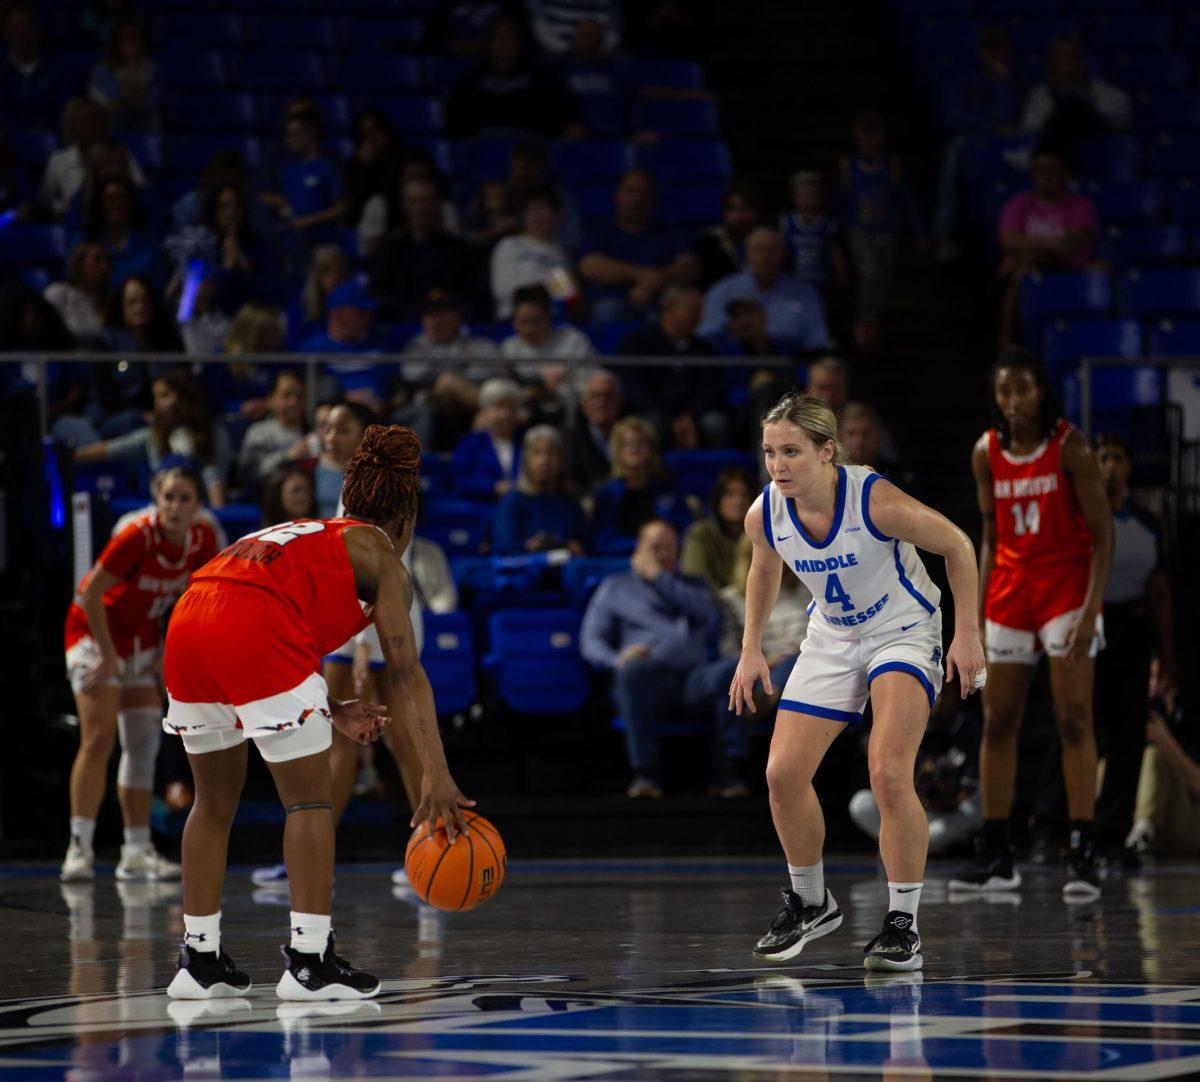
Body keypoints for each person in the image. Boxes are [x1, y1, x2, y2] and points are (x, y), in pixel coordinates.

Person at [160, 424, 472, 1000]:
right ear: (404, 520)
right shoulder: (381, 554)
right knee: (307, 799)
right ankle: (310, 960)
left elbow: (245, 618)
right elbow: (405, 673)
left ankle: (198, 962)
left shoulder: (303, 531)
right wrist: (436, 770)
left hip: (190, 619)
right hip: (253, 623)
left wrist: (330, 707)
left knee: (212, 802)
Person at [729, 391, 985, 972]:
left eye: (791, 451)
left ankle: (903, 924)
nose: (778, 465)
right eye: (769, 452)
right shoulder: (764, 511)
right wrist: (750, 649)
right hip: (835, 635)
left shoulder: (874, 499)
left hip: (902, 627)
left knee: (889, 772)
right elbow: (763, 567)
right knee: (781, 775)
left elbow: (959, 547)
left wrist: (966, 635)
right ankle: (812, 901)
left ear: (827, 452)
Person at [950, 350, 1113, 899]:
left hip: (1066, 589)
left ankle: (1083, 851)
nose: (1013, 402)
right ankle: (997, 856)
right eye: (1004, 393)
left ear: (1042, 391)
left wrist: (1091, 613)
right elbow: (991, 535)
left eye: (1022, 390)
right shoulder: (985, 452)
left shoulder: (1071, 447)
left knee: (1073, 720)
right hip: (1010, 591)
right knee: (997, 723)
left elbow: (1103, 534)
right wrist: (972, 617)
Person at [61, 466, 220, 884]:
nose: (175, 506)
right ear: (157, 499)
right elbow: (90, 593)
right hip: (94, 636)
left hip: (141, 641)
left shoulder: (203, 541)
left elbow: (193, 602)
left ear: (198, 506)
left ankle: (135, 851)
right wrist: (110, 658)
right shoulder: (137, 535)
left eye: (185, 498)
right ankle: (79, 847)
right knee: (98, 738)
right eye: (169, 497)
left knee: (145, 740)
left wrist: (164, 650)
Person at [581, 519, 749, 798]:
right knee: (632, 672)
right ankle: (645, 775)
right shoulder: (615, 587)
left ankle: (727, 774)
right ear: (638, 550)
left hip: (693, 679)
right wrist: (618, 658)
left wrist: (659, 577)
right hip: (648, 680)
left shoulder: (694, 586)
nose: (663, 555)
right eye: (655, 548)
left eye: (670, 549)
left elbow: (705, 612)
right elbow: (590, 642)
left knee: (734, 671)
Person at [1091, 432, 1174, 858]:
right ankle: (1069, 830)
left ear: (1128, 467)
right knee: (1080, 728)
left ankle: (1112, 833)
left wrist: (1167, 654)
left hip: (1132, 631)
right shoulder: (1079, 519)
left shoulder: (1147, 523)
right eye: (1102, 457)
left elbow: (1159, 594)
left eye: (1117, 458)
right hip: (1088, 628)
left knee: (1127, 736)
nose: (1109, 466)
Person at [75, 370, 232, 507]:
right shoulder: (152, 436)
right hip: (163, 514)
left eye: (164, 396)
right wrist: (68, 457)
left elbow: (214, 478)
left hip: (202, 512)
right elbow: (111, 449)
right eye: (155, 397)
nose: (157, 404)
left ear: (185, 398)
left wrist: (217, 518)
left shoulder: (214, 434)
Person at [996, 147, 1100, 349]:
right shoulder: (1018, 204)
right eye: (1039, 170)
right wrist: (1051, 244)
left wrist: (1029, 250)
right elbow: (1008, 242)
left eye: (1053, 168)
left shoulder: (1080, 206)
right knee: (1022, 275)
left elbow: (1067, 248)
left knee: (1101, 272)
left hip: (1066, 270)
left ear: (1065, 172)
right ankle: (1007, 349)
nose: (1047, 176)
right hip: (1022, 271)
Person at [837, 111, 924, 353]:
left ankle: (873, 321)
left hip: (887, 231)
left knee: (883, 279)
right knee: (870, 275)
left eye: (872, 134)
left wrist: (919, 231)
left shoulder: (892, 166)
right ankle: (863, 322)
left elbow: (906, 200)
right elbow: (841, 201)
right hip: (859, 231)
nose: (868, 140)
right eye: (863, 135)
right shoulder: (848, 167)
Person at [617, 284, 727, 449]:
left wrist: (689, 415)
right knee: (651, 422)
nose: (697, 316)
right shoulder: (637, 343)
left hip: (693, 415)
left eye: (699, 310)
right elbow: (635, 389)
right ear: (669, 308)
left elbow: (710, 390)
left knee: (715, 423)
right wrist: (671, 418)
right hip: (652, 410)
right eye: (692, 309)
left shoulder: (705, 350)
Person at [579, 169, 694, 323]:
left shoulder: (671, 232)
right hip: (613, 302)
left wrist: (652, 284)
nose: (637, 198)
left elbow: (688, 268)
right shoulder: (599, 229)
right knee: (608, 311)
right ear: (617, 196)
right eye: (631, 191)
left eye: (645, 192)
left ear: (655, 197)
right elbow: (590, 267)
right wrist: (644, 277)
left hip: (662, 304)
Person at [369, 176, 485, 322]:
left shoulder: (463, 251)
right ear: (404, 205)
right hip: (403, 332)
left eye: (427, 201)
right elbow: (379, 298)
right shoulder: (387, 252)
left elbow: (474, 299)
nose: (421, 208)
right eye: (414, 201)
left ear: (438, 204)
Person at [699, 227, 831, 353]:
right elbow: (708, 335)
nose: (766, 256)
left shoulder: (805, 293)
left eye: (773, 250)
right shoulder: (722, 291)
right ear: (747, 254)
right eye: (759, 250)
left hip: (789, 365)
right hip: (736, 363)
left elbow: (816, 341)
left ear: (783, 255)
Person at [444, 16, 577, 140]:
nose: (503, 43)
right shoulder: (472, 78)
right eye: (497, 37)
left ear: (519, 41)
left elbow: (559, 113)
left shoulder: (542, 76)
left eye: (508, 36)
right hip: (483, 146)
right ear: (489, 43)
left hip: (530, 147)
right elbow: (456, 119)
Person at [591, 416, 696, 555]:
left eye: (640, 443)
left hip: (666, 560)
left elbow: (685, 530)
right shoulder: (607, 494)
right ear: (618, 452)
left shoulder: (668, 487)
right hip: (621, 563)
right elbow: (604, 543)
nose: (634, 448)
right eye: (627, 444)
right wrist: (648, 545)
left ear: (651, 448)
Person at [261, 107, 347, 266]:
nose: (288, 140)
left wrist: (311, 220)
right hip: (294, 248)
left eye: (293, 134)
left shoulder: (327, 167)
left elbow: (341, 208)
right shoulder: (288, 171)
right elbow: (288, 203)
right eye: (287, 135)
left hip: (325, 244)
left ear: (310, 134)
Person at [493, 425, 587, 555]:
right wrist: (529, 546)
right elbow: (505, 547)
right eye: (536, 453)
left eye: (551, 453)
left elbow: (584, 545)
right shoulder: (512, 501)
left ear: (561, 460)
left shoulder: (570, 503)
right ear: (525, 460)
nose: (544, 460)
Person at [1020, 36, 1131, 147]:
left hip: (1095, 149)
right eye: (1062, 56)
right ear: (1052, 61)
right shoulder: (1040, 94)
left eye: (1073, 55)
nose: (1068, 61)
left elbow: (1120, 120)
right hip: (1055, 151)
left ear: (1082, 60)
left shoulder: (1104, 92)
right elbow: (1031, 128)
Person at [490, 186, 576, 320]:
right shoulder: (510, 245)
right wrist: (545, 285)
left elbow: (565, 294)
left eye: (542, 209)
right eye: (531, 210)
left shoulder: (559, 254)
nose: (537, 215)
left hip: (552, 322)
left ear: (555, 213)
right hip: (514, 320)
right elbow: (503, 289)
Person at [1129, 707, 1200, 858]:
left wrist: (1164, 739)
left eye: (1159, 680)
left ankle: (1143, 833)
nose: (1152, 685)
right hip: (1137, 817)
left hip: (1191, 818)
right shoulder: (1152, 708)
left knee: (1154, 755)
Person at [450, 378, 524, 501]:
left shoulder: (526, 441)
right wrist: (493, 487)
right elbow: (458, 480)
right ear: (485, 411)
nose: (505, 414)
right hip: (480, 509)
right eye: (498, 407)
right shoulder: (470, 443)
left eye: (511, 407)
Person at [681, 468, 754, 591]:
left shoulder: (761, 534)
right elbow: (694, 580)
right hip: (713, 604)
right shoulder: (700, 533)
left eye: (745, 495)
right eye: (730, 495)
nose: (738, 502)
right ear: (718, 500)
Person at [88, 16, 162, 134]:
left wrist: (133, 86)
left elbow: (148, 109)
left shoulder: (152, 71)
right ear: (116, 41)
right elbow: (106, 111)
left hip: (144, 132)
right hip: (109, 133)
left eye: (135, 39)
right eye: (127, 39)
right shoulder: (101, 72)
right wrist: (126, 86)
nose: (132, 45)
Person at [238, 370, 309, 490]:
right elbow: (249, 474)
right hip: (269, 498)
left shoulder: (313, 431)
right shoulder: (259, 432)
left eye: (299, 396)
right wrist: (286, 457)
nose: (294, 402)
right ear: (271, 400)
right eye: (287, 395)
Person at [780, 170, 849, 293]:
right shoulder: (786, 223)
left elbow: (835, 255)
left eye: (812, 195)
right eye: (802, 195)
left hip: (820, 283)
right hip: (794, 282)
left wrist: (841, 276)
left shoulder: (828, 225)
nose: (807, 200)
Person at [565, 367, 624, 493]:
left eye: (608, 396)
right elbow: (572, 482)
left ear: (619, 401)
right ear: (583, 403)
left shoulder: (633, 434)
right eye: (594, 396)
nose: (601, 403)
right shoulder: (568, 438)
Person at [693, 182, 761, 291]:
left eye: (746, 208)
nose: (740, 216)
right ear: (724, 213)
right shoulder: (708, 242)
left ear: (756, 212)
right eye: (733, 209)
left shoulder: (768, 242)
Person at [45, 240, 110, 348]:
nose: (104, 266)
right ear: (79, 264)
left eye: (106, 260)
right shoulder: (58, 294)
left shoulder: (110, 300)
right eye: (97, 260)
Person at [314, 402, 375, 517]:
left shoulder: (379, 482)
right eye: (327, 430)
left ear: (366, 436)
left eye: (343, 431)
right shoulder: (313, 468)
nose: (331, 438)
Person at [288, 245, 351, 350]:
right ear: (315, 275)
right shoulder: (298, 308)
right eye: (326, 270)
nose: (335, 276)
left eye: (339, 269)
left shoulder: (355, 310)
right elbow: (294, 351)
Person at [261, 462, 316, 527]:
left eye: (308, 490)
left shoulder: (322, 530)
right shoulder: (265, 535)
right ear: (278, 494)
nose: (304, 496)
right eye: (296, 490)